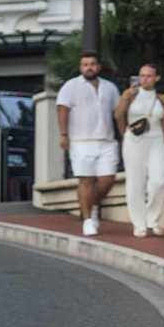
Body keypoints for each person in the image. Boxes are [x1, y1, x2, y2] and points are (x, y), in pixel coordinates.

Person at [55, 52, 123, 235]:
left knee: (108, 179)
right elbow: (62, 109)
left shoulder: (110, 87)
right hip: (81, 141)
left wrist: (124, 136)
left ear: (98, 67)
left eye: (92, 64)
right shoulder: (71, 86)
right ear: (81, 67)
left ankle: (91, 206)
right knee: (85, 180)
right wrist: (64, 134)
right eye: (85, 64)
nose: (89, 67)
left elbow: (118, 113)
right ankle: (88, 219)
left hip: (107, 141)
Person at [115, 63, 164, 239]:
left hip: (156, 140)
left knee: (159, 181)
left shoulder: (161, 99)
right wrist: (125, 97)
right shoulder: (131, 95)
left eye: (149, 76)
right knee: (135, 183)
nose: (145, 79)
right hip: (134, 140)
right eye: (142, 75)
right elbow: (118, 114)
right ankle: (139, 224)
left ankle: (153, 220)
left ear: (156, 78)